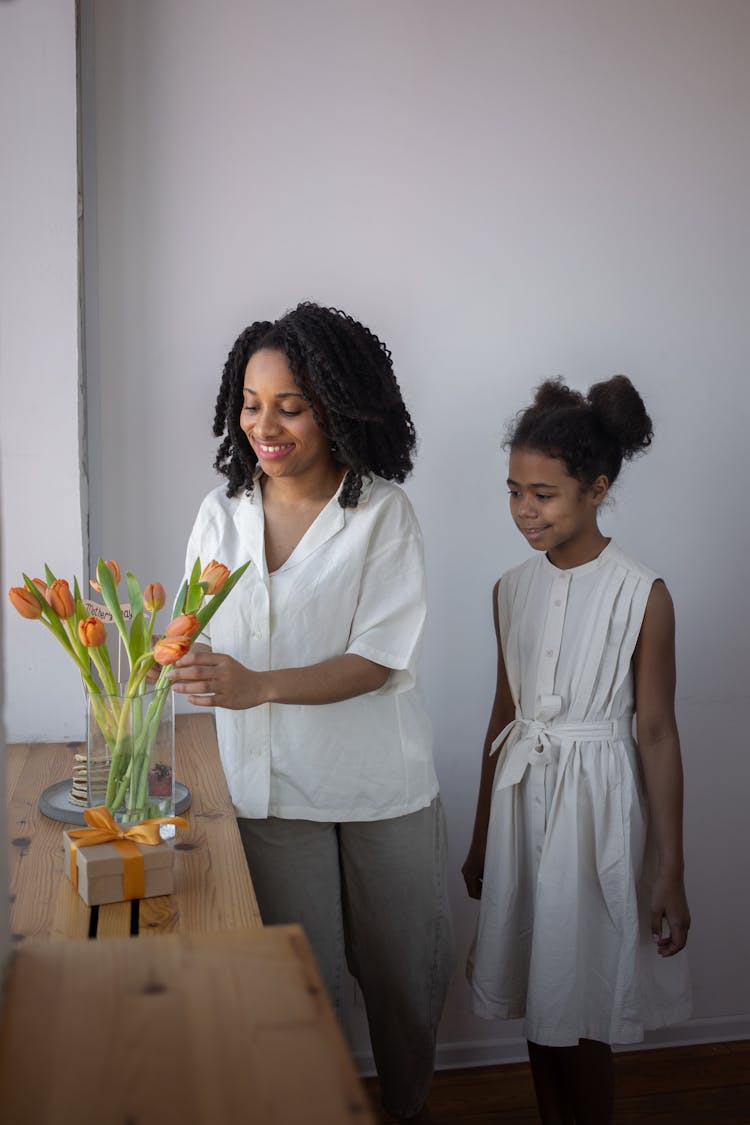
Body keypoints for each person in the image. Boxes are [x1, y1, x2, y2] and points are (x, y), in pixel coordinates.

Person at [169, 302, 455, 1124]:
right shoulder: (218, 515)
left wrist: (256, 683)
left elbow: (377, 657)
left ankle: (406, 1111)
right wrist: (175, 656)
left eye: (290, 404)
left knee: (404, 984)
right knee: (306, 989)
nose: (267, 423)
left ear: (337, 403)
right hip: (270, 790)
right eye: (252, 403)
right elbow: (196, 628)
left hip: (379, 789)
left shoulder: (383, 514)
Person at [462, 376, 691, 1124]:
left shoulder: (642, 593)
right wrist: (479, 841)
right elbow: (505, 713)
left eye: (545, 493)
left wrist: (670, 869)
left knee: (582, 999)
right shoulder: (509, 589)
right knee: (537, 992)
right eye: (514, 491)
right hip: (519, 806)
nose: (525, 509)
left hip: (592, 817)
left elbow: (656, 732)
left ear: (596, 489)